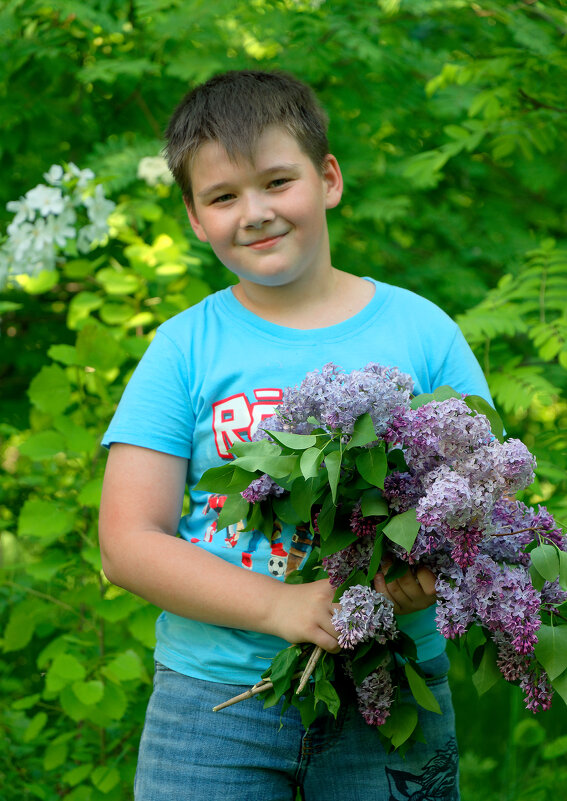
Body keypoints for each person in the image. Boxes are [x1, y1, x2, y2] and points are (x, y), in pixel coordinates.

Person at [99, 70, 490, 801]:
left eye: (277, 181)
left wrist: (422, 577)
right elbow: (127, 543)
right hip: (213, 705)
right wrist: (280, 606)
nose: (254, 213)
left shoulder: (421, 331)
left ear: (329, 178)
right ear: (193, 216)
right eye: (222, 196)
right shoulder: (184, 348)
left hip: (392, 690)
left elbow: (479, 505)